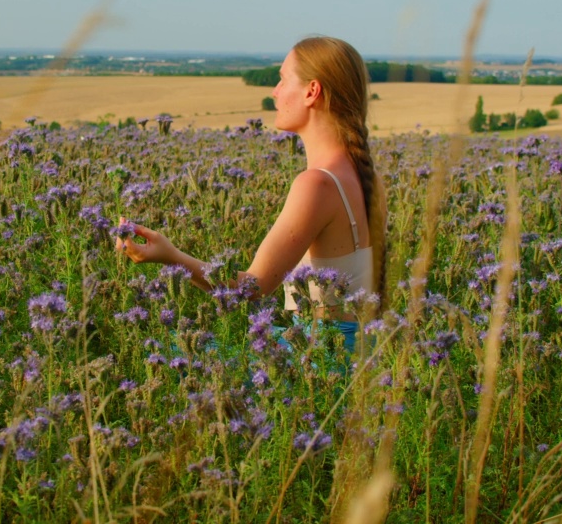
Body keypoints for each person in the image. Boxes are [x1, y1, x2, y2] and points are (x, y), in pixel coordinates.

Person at [115, 36, 387, 353]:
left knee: (163, 351)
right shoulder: (363, 175)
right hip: (348, 350)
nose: (274, 91)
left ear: (312, 92)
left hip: (322, 360)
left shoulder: (317, 184)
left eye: (283, 79)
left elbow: (252, 287)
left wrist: (170, 257)